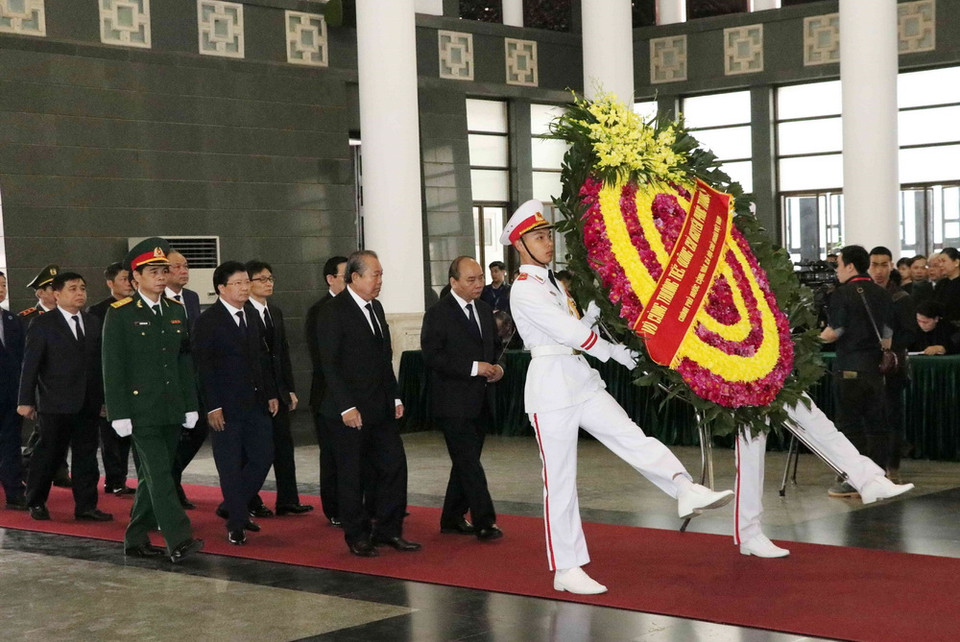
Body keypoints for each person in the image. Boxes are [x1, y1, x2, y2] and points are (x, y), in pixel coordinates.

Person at [501, 200, 733, 595]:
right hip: (551, 387)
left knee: (630, 435)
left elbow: (573, 327)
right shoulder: (523, 289)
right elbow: (565, 333)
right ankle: (567, 567)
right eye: (538, 237)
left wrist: (590, 317)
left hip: (579, 378)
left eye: (547, 235)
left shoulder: (551, 282)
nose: (547, 243)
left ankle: (683, 487)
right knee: (559, 481)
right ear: (519, 245)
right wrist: (611, 352)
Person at [102, 238, 204, 562]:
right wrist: (118, 412)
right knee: (160, 474)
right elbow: (113, 367)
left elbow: (183, 362)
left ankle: (135, 538)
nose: (161, 276)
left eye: (164, 270)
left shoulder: (175, 311)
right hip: (140, 410)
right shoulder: (120, 314)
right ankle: (179, 538)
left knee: (150, 476)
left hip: (172, 407)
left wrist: (190, 404)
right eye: (153, 271)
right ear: (136, 278)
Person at [316, 250, 420, 557]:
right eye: (375, 275)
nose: (379, 281)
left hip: (380, 406)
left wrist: (396, 396)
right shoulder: (333, 311)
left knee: (393, 467)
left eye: (381, 275)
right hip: (348, 411)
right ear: (355, 277)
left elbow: (383, 358)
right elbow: (329, 366)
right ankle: (357, 535)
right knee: (352, 475)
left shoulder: (375, 308)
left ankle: (389, 530)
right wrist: (346, 407)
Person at [194, 261, 278, 545]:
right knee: (229, 465)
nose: (245, 287)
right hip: (225, 407)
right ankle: (237, 522)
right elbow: (203, 368)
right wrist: (212, 406)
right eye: (238, 283)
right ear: (221, 288)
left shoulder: (252, 316)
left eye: (246, 282)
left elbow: (260, 360)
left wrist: (270, 393)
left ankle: (234, 505)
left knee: (263, 455)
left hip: (255, 402)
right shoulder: (208, 321)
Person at [18, 271, 112, 523]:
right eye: (72, 288)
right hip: (55, 402)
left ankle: (86, 506)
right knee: (48, 455)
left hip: (88, 402)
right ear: (57, 294)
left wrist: (104, 400)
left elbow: (101, 365)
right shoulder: (42, 323)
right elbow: (31, 365)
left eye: (82, 288)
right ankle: (36, 501)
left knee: (87, 456)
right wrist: (25, 400)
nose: (80, 293)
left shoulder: (92, 322)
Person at [421, 256, 504, 541]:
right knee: (469, 462)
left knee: (464, 461)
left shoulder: (483, 310)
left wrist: (496, 368)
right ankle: (485, 520)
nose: (479, 284)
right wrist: (473, 368)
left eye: (480, 278)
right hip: (452, 402)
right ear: (453, 282)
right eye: (471, 279)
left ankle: (452, 517)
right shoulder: (438, 313)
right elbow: (432, 357)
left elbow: (493, 350)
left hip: (480, 399)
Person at [819, 245, 894, 495]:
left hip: (849, 369)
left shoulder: (842, 294)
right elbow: (887, 336)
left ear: (850, 266)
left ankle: (854, 480)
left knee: (850, 425)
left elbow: (834, 333)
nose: (837, 271)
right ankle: (879, 476)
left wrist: (813, 339)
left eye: (838, 265)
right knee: (877, 425)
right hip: (875, 371)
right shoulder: (882, 293)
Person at [245, 260, 312, 516]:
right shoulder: (244, 313)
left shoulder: (275, 311)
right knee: (257, 450)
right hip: (257, 393)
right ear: (248, 283)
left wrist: (289, 389)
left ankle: (288, 499)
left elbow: (281, 354)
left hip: (279, 391)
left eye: (270, 278)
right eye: (261, 279)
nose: (268, 283)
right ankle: (246, 500)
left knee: (284, 446)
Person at [304, 255, 348, 527]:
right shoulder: (319, 310)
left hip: (355, 396)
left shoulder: (359, 307)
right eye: (346, 275)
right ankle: (334, 509)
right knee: (331, 454)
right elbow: (322, 358)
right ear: (330, 279)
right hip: (327, 396)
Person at [87, 261, 137, 497]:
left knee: (128, 435)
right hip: (108, 384)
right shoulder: (98, 311)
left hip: (134, 382)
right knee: (110, 436)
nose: (129, 283)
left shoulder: (139, 305)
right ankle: (113, 479)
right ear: (110, 283)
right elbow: (97, 356)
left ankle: (122, 478)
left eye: (131, 278)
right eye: (124, 279)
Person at [868, 246, 918, 484]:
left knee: (892, 416)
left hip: (893, 367)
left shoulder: (901, 298)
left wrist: (892, 342)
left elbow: (911, 335)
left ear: (891, 266)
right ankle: (871, 467)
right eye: (874, 264)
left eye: (883, 264)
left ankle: (893, 466)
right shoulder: (862, 295)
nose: (879, 270)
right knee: (869, 418)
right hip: (866, 366)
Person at [19, 264, 71, 489]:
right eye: (51, 288)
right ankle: (29, 467)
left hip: (67, 386)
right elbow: (27, 360)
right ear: (40, 293)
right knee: (44, 433)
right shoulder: (28, 318)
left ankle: (59, 470)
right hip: (43, 386)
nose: (55, 292)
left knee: (61, 432)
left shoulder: (70, 316)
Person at [166, 249, 207, 510]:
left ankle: (172, 477)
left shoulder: (191, 298)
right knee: (172, 436)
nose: (184, 271)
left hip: (193, 377)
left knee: (197, 431)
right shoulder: (157, 301)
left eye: (186, 266)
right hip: (169, 380)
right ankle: (170, 484)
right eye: (177, 267)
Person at [0, 271, 27, 511]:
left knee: (11, 443)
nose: (1, 289)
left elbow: (22, 358)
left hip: (10, 395)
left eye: (4, 285)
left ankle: (14, 491)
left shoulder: (13, 320)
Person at [932, 247, 960, 332]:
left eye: (943, 261)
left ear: (956, 262)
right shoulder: (941, 284)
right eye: (939, 262)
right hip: (942, 330)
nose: (940, 265)